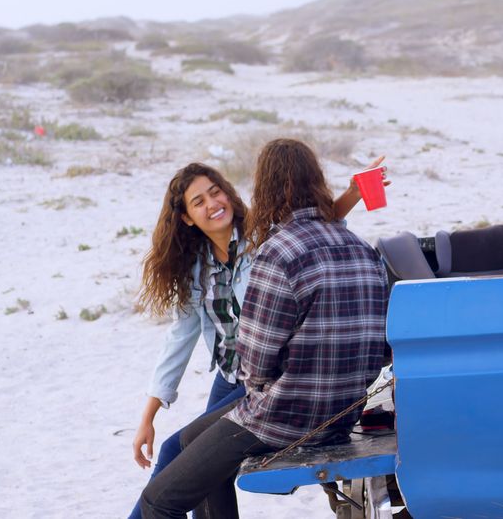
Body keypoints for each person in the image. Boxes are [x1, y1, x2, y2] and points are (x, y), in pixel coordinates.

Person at [138, 138, 390, 519]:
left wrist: (267, 390)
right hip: (343, 408)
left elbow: (255, 360)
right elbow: (382, 347)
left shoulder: (270, 247)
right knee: (190, 441)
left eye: (215, 193)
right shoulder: (364, 250)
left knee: (160, 500)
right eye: (198, 202)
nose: (212, 205)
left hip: (283, 411)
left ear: (259, 189)